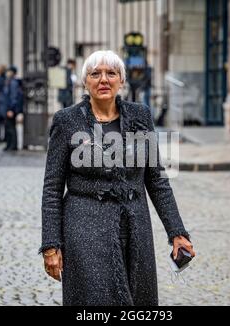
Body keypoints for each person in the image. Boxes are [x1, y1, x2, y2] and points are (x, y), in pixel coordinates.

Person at [40, 50, 195, 306]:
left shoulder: (140, 116)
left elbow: (156, 180)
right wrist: (50, 245)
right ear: (85, 81)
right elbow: (52, 188)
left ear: (121, 80)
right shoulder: (67, 121)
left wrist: (177, 232)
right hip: (84, 227)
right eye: (95, 74)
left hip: (135, 226)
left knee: (138, 298)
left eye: (111, 73)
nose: (104, 79)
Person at [3, 66, 23, 152]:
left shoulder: (13, 82)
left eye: (9, 71)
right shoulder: (9, 81)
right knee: (8, 127)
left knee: (11, 127)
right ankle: (9, 144)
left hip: (11, 108)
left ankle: (13, 145)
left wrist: (11, 109)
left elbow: (13, 97)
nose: (7, 73)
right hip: (8, 107)